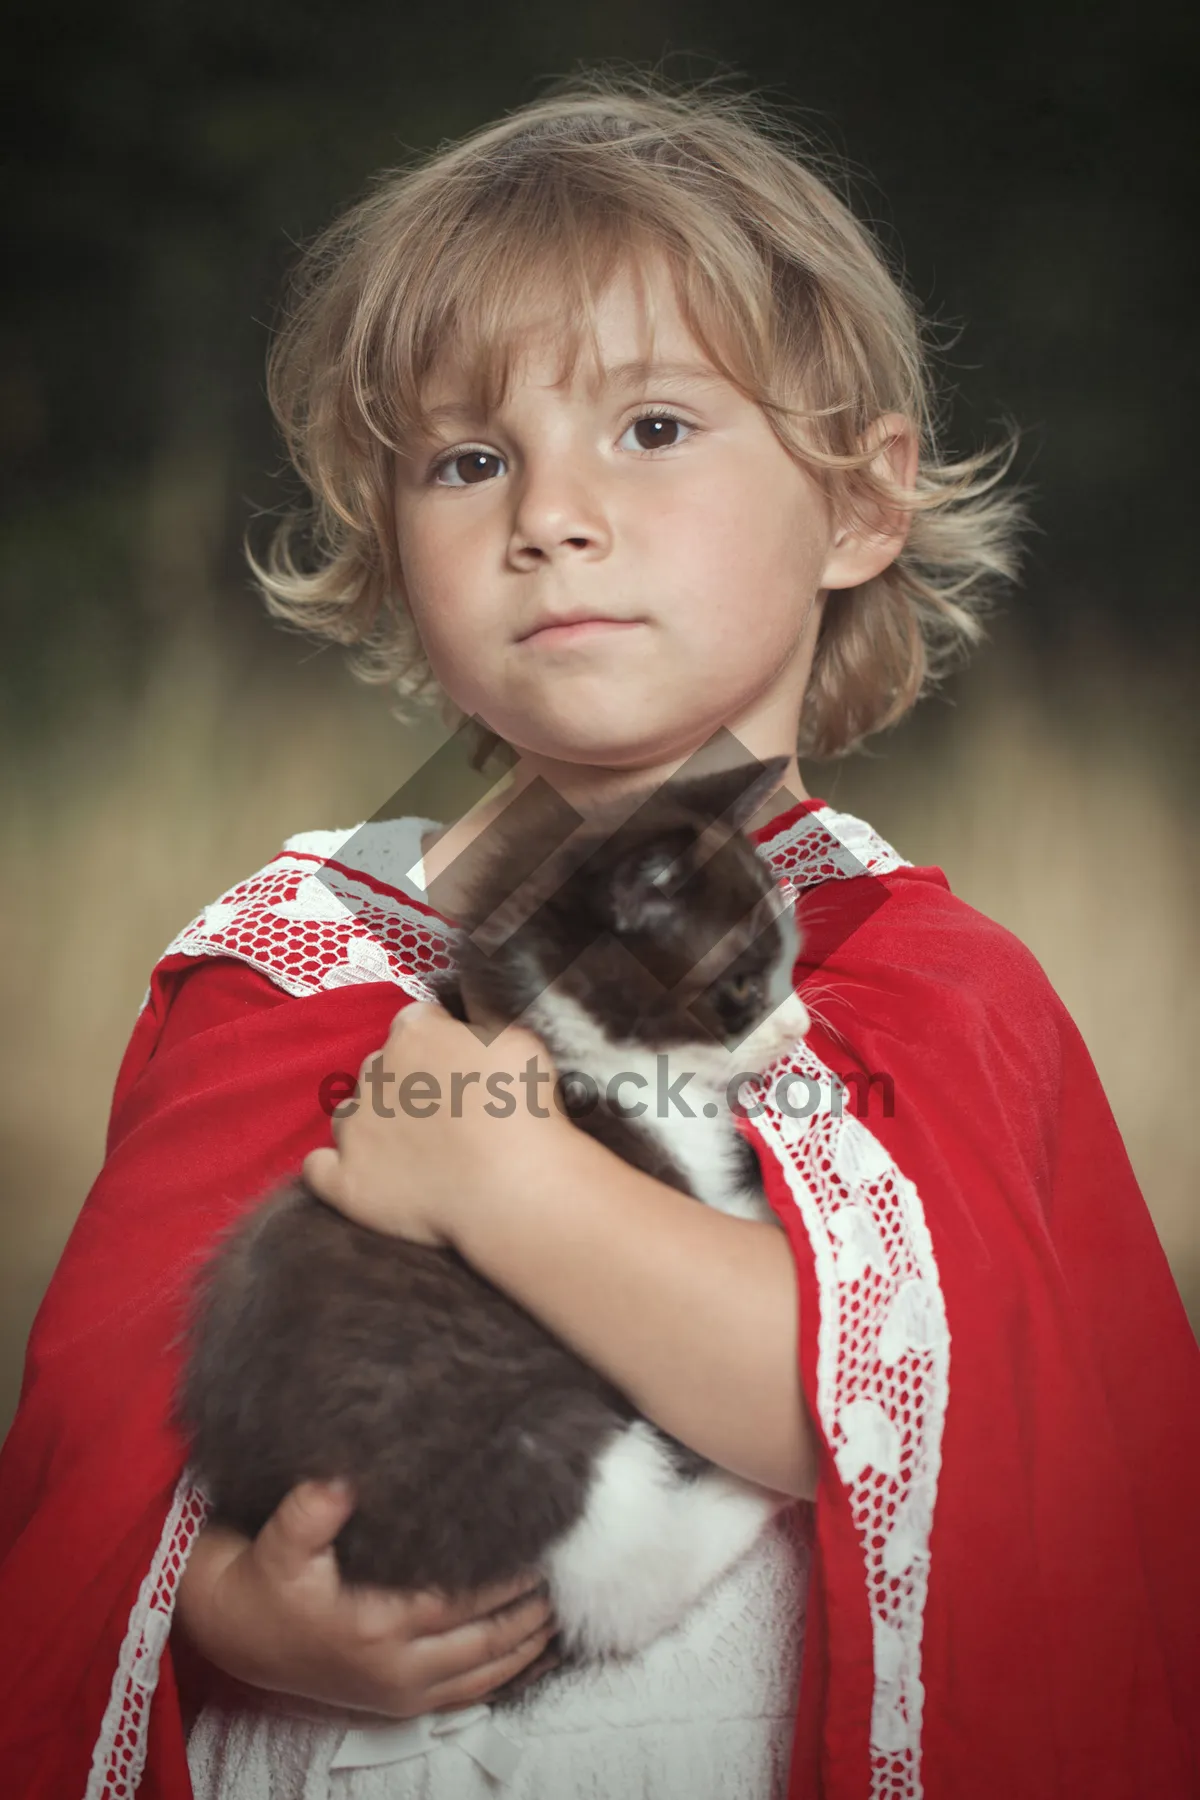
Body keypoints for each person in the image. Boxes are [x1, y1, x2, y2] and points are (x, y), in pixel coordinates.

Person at [2, 72, 1198, 1800]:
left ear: (859, 505)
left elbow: (875, 1420)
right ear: (399, 555)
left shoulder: (928, 988)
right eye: (469, 459)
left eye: (650, 428)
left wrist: (502, 1182)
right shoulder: (299, 966)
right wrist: (218, 1610)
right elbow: (100, 1471)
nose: (546, 514)